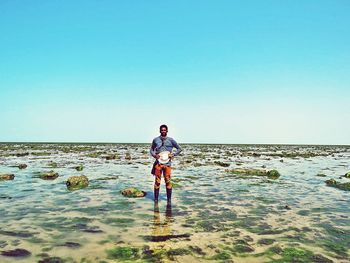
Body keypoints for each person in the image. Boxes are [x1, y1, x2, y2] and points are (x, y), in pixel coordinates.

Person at [150, 124, 182, 203]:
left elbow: (179, 149)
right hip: (158, 164)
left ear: (167, 131)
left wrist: (173, 154)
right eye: (162, 130)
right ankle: (156, 201)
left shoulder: (171, 140)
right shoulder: (155, 140)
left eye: (164, 130)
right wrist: (154, 155)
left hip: (167, 164)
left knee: (168, 181)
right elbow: (151, 149)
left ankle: (169, 201)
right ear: (160, 131)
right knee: (157, 182)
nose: (163, 131)